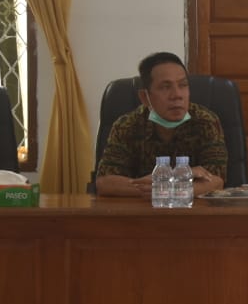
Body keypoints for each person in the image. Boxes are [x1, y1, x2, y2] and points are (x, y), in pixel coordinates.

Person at [95, 51, 227, 198]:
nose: (177, 95)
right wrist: (171, 183)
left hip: (192, 210)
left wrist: (165, 188)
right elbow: (105, 182)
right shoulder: (127, 126)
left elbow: (216, 182)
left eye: (183, 85)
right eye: (165, 87)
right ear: (145, 97)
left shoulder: (205, 122)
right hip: (140, 210)